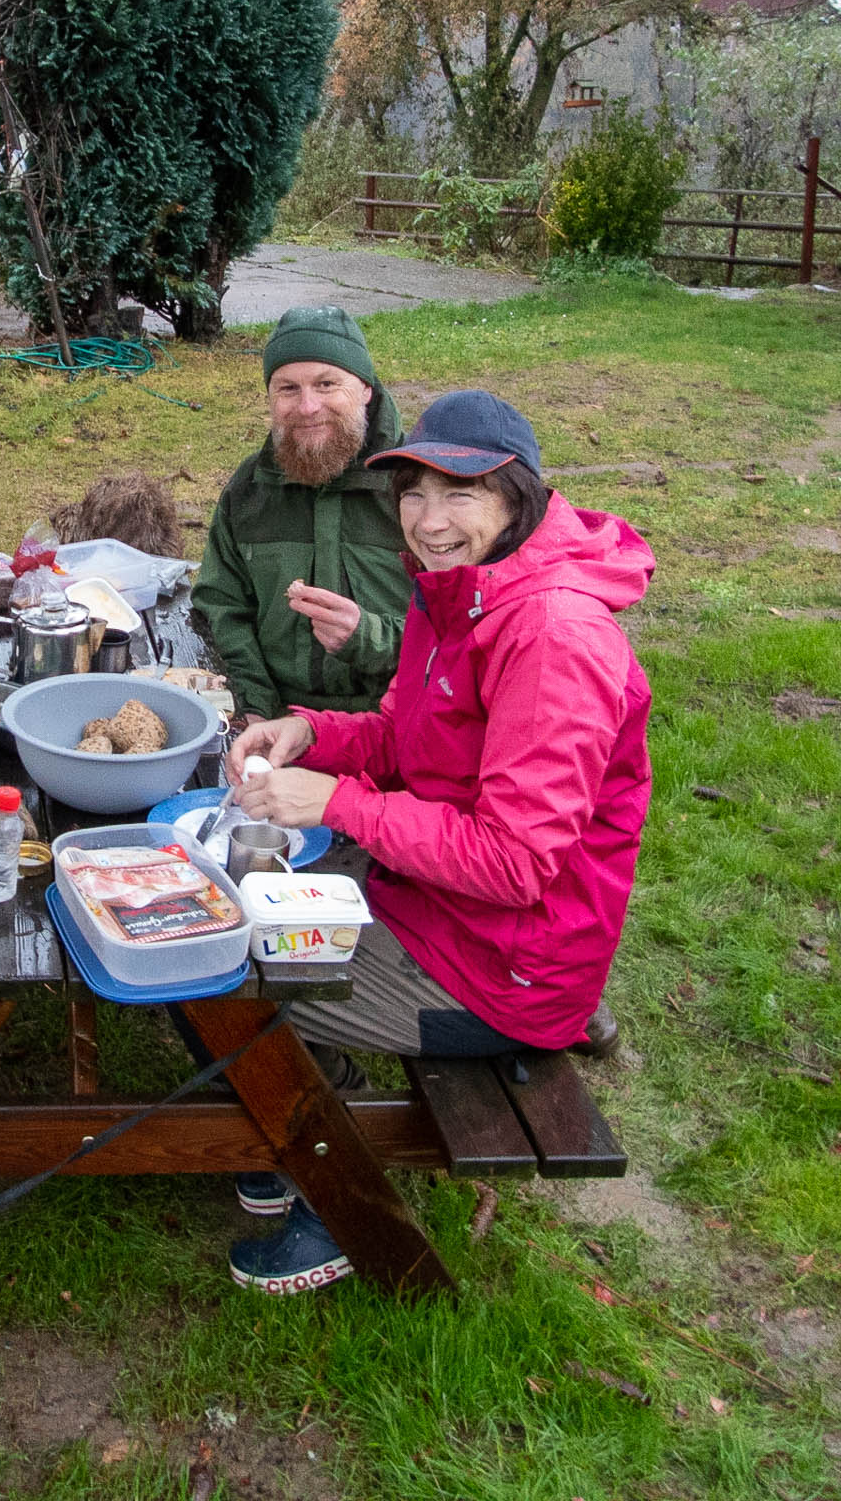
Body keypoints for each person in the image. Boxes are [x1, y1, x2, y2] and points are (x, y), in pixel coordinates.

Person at [217, 390, 654, 1293]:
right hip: (437, 907)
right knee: (237, 888)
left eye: (461, 495)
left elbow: (513, 861)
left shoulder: (552, 635)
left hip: (505, 968)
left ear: (516, 499)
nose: (429, 521)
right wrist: (310, 733)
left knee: (225, 968)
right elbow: (411, 738)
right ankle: (282, 1125)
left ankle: (339, 1200)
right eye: (414, 493)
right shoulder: (466, 594)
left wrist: (336, 802)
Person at [193, 306, 412, 729]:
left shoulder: (418, 489)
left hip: (394, 723)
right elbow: (222, 605)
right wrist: (253, 703)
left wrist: (369, 638)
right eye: (288, 389)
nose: (307, 407)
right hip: (277, 719)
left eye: (327, 384)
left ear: (365, 388)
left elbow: (467, 630)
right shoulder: (250, 490)